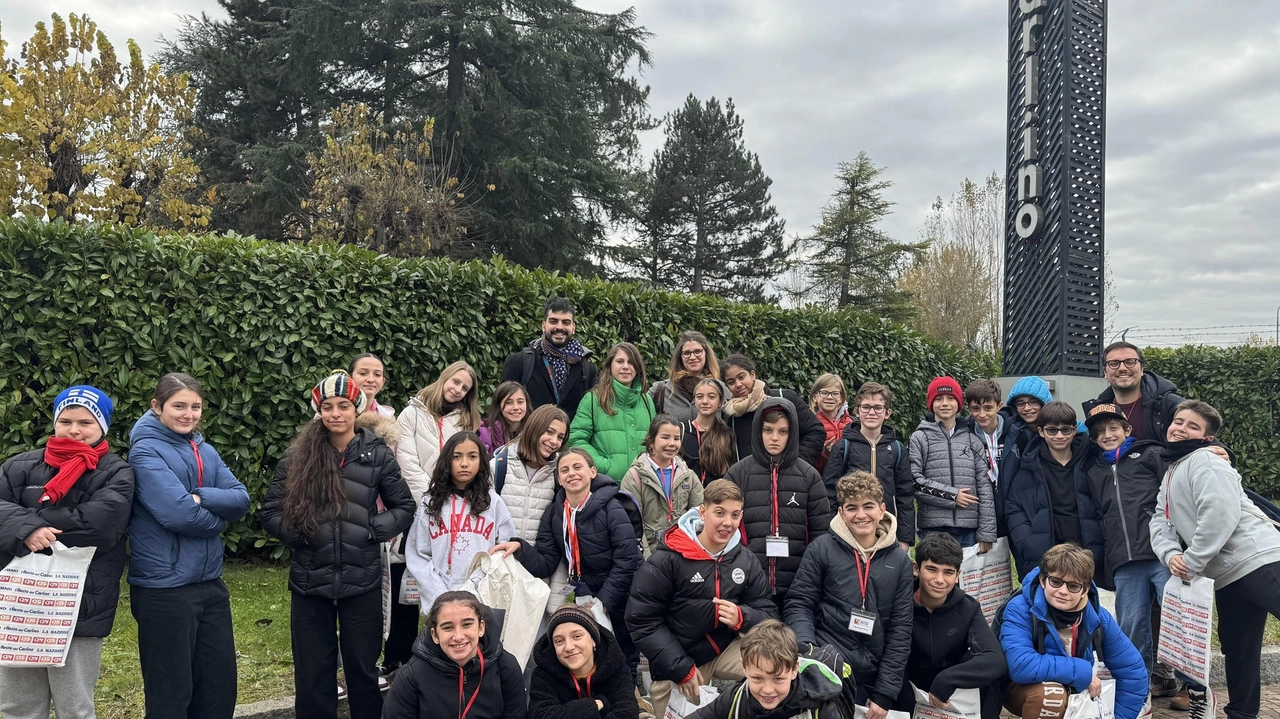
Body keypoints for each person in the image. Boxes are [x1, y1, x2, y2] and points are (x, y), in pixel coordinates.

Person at [260, 371, 415, 719]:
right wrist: (299, 534)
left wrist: (372, 529)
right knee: (313, 672)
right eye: (327, 406)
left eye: (343, 406)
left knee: (362, 670)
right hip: (310, 580)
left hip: (362, 580)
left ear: (355, 409)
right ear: (319, 410)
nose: (335, 414)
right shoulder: (297, 456)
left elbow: (405, 507)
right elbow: (270, 511)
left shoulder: (377, 455)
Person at [0, 386, 134, 719]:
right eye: (66, 420)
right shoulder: (18, 466)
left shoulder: (118, 472)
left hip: (80, 605)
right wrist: (25, 530)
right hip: (19, 604)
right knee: (18, 705)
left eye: (85, 422)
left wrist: (31, 523)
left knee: (75, 706)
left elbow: (103, 523)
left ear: (102, 427)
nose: (74, 429)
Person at [127, 373, 251, 719]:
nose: (188, 414)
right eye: (178, 406)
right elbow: (178, 514)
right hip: (164, 589)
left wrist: (201, 497)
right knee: (171, 693)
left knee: (218, 688)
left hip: (209, 583)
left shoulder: (205, 449)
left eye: (195, 406)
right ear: (157, 407)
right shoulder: (145, 451)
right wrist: (218, 520)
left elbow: (241, 499)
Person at [1150, 400, 1280, 719]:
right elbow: (1160, 519)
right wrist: (1171, 555)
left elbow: (1219, 514)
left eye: (1192, 426)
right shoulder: (1172, 471)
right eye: (1178, 422)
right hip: (1226, 574)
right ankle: (1241, 713)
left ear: (1208, 438)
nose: (1180, 428)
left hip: (1260, 558)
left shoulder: (1205, 459)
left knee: (1240, 649)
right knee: (1238, 650)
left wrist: (1192, 560)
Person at [625, 479, 778, 718]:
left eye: (735, 515)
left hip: (725, 647)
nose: (728, 523)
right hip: (678, 656)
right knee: (672, 712)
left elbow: (768, 613)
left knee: (775, 668)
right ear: (703, 512)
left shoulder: (744, 558)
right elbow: (641, 619)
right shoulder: (669, 557)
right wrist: (681, 668)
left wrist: (742, 617)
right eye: (720, 513)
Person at [492, 449, 643, 680]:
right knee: (598, 652)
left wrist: (605, 599)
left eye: (578, 467)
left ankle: (630, 699)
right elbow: (547, 561)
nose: (571, 473)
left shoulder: (612, 508)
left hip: (623, 591)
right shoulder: (555, 514)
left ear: (592, 472)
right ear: (559, 479)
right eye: (565, 470)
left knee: (624, 651)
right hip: (587, 591)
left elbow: (627, 558)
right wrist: (521, 549)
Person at [785, 471, 913, 719]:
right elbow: (799, 603)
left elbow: (901, 628)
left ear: (882, 509)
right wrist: (812, 656)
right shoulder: (822, 549)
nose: (861, 515)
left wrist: (884, 693)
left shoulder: (899, 560)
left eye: (868, 506)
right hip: (829, 664)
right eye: (852, 508)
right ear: (841, 512)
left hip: (875, 673)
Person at [1076, 403, 1174, 703]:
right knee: (1132, 626)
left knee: (1177, 620)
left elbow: (1174, 494)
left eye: (1113, 428)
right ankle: (1138, 690)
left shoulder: (1151, 455)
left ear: (1127, 429)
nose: (1108, 435)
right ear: (1093, 438)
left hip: (1161, 554)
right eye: (1100, 432)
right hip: (1124, 561)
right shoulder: (1093, 470)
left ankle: (1192, 686)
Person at [999, 543, 1147, 719]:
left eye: (1073, 586)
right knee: (1051, 695)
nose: (1062, 591)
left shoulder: (1098, 616)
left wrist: (1119, 717)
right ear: (1042, 580)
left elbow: (1132, 672)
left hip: (1076, 691)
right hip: (1020, 689)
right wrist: (1084, 674)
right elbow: (1021, 665)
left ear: (1085, 590)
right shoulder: (1019, 609)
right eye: (1056, 582)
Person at [724, 397, 831, 607]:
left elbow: (820, 535)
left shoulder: (809, 476)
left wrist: (811, 578)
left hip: (797, 587)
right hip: (747, 584)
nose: (775, 438)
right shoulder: (737, 474)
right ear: (758, 431)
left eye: (783, 432)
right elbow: (724, 528)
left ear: (792, 434)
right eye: (768, 430)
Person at [893, 533, 1006, 719]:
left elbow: (995, 659)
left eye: (948, 572)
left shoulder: (968, 607)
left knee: (989, 676)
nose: (939, 579)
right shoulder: (899, 603)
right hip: (910, 687)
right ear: (916, 568)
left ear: (957, 576)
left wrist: (948, 680)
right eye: (932, 569)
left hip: (953, 689)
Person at [404, 432, 517, 611]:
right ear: (447, 460)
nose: (464, 463)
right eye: (457, 456)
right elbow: (418, 554)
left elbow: (504, 550)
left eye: (472, 456)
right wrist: (439, 595)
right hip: (440, 599)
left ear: (481, 461)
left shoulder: (493, 503)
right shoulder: (430, 503)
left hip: (482, 595)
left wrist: (474, 587)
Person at [382, 591, 527, 719]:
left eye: (467, 624)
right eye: (448, 627)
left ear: (481, 628)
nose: (458, 636)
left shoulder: (505, 667)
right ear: (435, 635)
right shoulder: (411, 676)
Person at [1003, 401, 1102, 581]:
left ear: (1074, 430)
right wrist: (1028, 543)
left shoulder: (1091, 463)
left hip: (1088, 552)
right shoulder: (1028, 467)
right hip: (1045, 553)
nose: (1059, 436)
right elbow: (1014, 507)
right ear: (1041, 431)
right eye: (1052, 430)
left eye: (1065, 430)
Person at [688, 620, 848, 719]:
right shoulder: (736, 698)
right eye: (757, 678)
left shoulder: (820, 708)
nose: (768, 689)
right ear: (744, 668)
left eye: (778, 679)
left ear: (794, 670)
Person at [822, 381, 915, 550]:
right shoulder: (843, 446)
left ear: (887, 413)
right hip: (850, 527)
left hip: (886, 527)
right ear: (857, 411)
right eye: (866, 407)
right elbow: (830, 491)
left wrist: (905, 538)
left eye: (878, 407)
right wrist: (830, 530)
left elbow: (905, 495)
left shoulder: (897, 449)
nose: (872, 412)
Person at [910, 377, 995, 550]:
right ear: (931, 403)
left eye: (950, 398)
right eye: (938, 399)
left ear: (959, 403)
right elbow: (914, 481)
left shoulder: (972, 440)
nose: (945, 403)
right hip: (933, 528)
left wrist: (986, 532)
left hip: (969, 530)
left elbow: (984, 486)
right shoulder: (920, 437)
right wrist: (951, 496)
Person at [528, 604, 641, 719]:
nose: (568, 647)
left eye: (577, 636)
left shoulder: (616, 669)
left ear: (594, 640)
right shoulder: (542, 675)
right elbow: (541, 715)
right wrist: (596, 705)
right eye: (559, 641)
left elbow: (628, 713)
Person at [568, 342, 656, 482]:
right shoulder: (592, 400)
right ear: (610, 366)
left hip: (642, 486)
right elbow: (575, 440)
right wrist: (605, 467)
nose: (626, 367)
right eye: (620, 361)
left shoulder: (646, 400)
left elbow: (653, 441)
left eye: (631, 362)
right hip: (606, 485)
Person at [620, 414, 704, 557]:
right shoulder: (634, 477)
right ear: (651, 441)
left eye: (676, 438)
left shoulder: (688, 476)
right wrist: (647, 561)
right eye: (665, 437)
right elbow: (632, 525)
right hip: (649, 555)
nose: (672, 443)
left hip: (682, 554)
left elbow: (699, 517)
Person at [397, 361, 482, 501]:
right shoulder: (412, 414)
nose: (458, 389)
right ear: (445, 378)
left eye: (465, 388)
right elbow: (407, 462)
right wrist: (433, 498)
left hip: (455, 504)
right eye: (455, 382)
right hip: (417, 501)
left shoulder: (467, 423)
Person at [720, 354, 825, 466]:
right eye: (731, 382)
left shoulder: (785, 398)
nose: (738, 384)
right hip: (752, 481)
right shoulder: (731, 416)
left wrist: (796, 463)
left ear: (752, 375)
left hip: (791, 478)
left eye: (741, 377)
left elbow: (815, 431)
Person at [502, 296, 597, 415]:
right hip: (529, 433)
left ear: (573, 328)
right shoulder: (520, 362)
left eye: (566, 322)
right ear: (543, 325)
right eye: (553, 321)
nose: (559, 327)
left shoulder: (588, 369)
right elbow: (504, 406)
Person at [494, 404, 569, 543]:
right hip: (499, 557)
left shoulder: (558, 473)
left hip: (534, 559)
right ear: (534, 428)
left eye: (560, 437)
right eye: (549, 432)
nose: (554, 441)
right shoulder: (499, 466)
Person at [1092, 342, 1186, 444]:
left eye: (1130, 362)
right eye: (1114, 363)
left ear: (1141, 369)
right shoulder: (1097, 411)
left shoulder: (1172, 406)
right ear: (1105, 372)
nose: (1122, 368)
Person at [649, 330, 727, 424]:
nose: (692, 357)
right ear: (680, 357)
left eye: (697, 351)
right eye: (686, 353)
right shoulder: (661, 390)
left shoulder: (722, 389)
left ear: (706, 354)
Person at [965, 379, 1010, 537]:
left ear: (999, 406)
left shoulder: (1015, 434)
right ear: (969, 408)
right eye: (976, 409)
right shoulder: (965, 435)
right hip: (980, 511)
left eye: (988, 408)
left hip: (1010, 509)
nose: (982, 414)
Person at [680, 378, 735, 484]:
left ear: (720, 402)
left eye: (711, 397)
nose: (705, 401)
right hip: (687, 497)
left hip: (716, 496)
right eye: (700, 397)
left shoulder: (727, 434)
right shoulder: (682, 431)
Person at [808, 373, 851, 474]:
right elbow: (807, 465)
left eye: (835, 393)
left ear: (841, 398)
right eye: (824, 393)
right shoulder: (810, 425)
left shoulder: (852, 425)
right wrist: (826, 454)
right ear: (815, 398)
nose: (830, 397)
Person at [480, 381, 530, 456]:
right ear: (499, 406)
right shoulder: (485, 433)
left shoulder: (534, 431)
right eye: (509, 402)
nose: (516, 407)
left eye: (520, 402)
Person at [351, 353, 395, 417]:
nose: (370, 380)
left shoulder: (387, 418)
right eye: (363, 373)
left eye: (377, 374)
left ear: (383, 381)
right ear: (350, 377)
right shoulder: (336, 413)